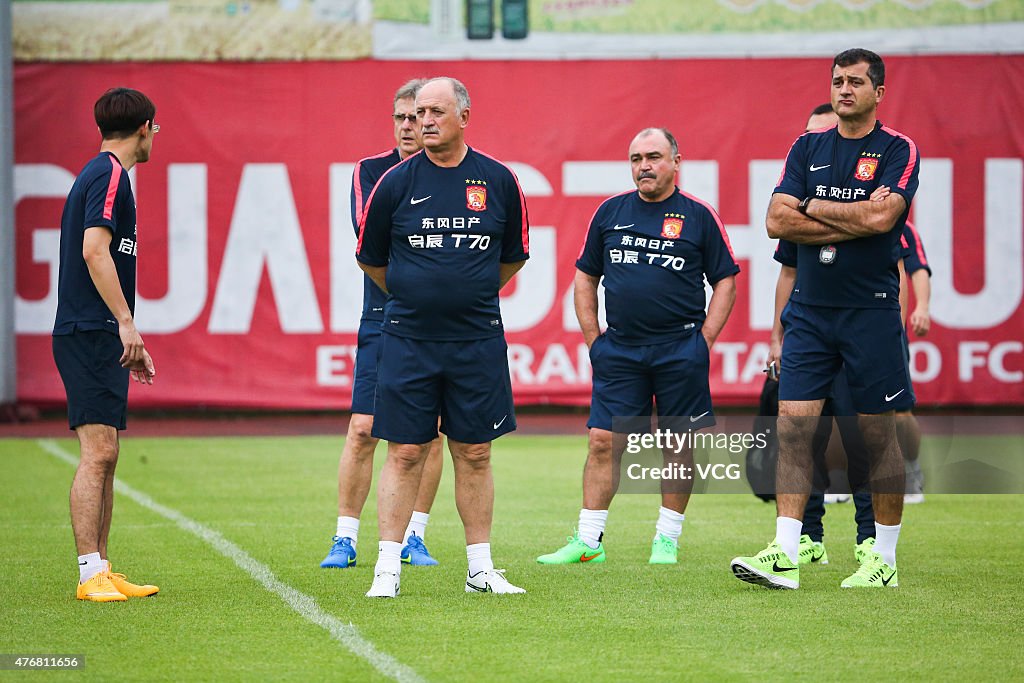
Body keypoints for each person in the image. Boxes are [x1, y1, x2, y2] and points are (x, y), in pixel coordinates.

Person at [731, 48, 920, 589]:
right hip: (810, 314)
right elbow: (774, 220)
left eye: (856, 82)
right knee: (793, 428)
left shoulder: (897, 149)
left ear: (878, 92)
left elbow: (887, 216)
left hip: (871, 311)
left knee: (876, 436)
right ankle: (786, 553)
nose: (844, 90)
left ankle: (881, 558)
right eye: (837, 81)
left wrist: (810, 206)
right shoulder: (808, 145)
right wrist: (855, 218)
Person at [356, 77, 529, 597]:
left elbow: (513, 255)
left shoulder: (498, 180)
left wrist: (465, 295)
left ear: (464, 117)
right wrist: (418, 296)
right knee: (405, 451)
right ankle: (387, 567)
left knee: (474, 453)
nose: (424, 120)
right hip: (408, 339)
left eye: (435, 111)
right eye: (419, 111)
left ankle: (480, 568)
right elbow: (372, 259)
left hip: (477, 340)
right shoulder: (394, 183)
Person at [536, 127, 738, 566]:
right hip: (621, 350)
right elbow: (586, 277)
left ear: (676, 162)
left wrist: (703, 340)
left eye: (653, 157)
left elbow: (725, 280)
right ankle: (589, 541)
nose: (643, 166)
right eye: (635, 158)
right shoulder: (609, 213)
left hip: (679, 347)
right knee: (603, 442)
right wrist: (595, 340)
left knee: (677, 443)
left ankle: (666, 539)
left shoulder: (699, 215)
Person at [320, 79, 443, 570]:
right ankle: (345, 537)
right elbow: (373, 240)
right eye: (401, 117)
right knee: (363, 428)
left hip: (439, 321)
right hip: (385, 316)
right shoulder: (372, 172)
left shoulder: (452, 172)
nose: (410, 126)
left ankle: (415, 535)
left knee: (430, 433)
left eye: (417, 116)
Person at [53, 88, 160, 602]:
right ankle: (88, 573)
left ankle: (101, 566)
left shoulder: (102, 174)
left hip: (96, 332)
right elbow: (95, 250)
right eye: (155, 128)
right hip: (89, 331)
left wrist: (126, 332)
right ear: (144, 128)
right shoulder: (111, 175)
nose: (156, 136)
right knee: (97, 453)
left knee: (108, 453)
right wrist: (125, 322)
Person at [767, 104, 884, 569]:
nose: (820, 142)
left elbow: (883, 243)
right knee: (800, 435)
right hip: (808, 328)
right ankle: (807, 537)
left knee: (862, 437)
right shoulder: (802, 177)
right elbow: (787, 270)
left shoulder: (872, 178)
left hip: (859, 325)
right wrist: (776, 335)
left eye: (827, 133)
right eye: (812, 135)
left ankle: (869, 538)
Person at [897, 221, 931, 504]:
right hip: (831, 329)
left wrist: (922, 306)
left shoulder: (901, 227)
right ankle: (838, 480)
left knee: (898, 410)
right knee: (834, 410)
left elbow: (917, 268)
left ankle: (911, 470)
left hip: (883, 333)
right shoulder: (828, 215)